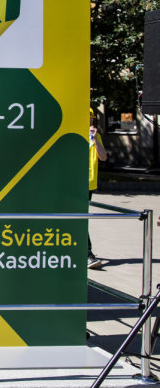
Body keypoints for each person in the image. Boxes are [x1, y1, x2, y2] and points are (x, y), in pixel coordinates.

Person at [88, 107, 108, 269]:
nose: (90, 120)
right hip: (73, 182)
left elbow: (103, 157)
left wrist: (95, 139)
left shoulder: (96, 136)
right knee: (78, 216)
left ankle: (87, 254)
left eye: (91, 118)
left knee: (81, 217)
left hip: (88, 183)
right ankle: (87, 253)